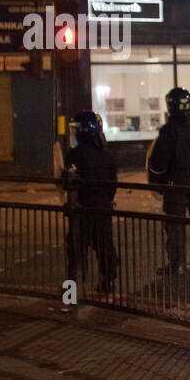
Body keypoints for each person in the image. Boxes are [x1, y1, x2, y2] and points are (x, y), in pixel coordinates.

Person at [147, 87, 190, 275]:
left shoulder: (169, 130)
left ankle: (178, 263)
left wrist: (157, 182)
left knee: (175, 226)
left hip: (175, 183)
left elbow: (159, 161)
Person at [64, 110, 118, 292]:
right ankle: (108, 281)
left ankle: (74, 287)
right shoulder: (107, 154)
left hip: (83, 208)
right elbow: (113, 184)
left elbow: (68, 182)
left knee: (77, 248)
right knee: (104, 246)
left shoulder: (76, 154)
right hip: (103, 207)